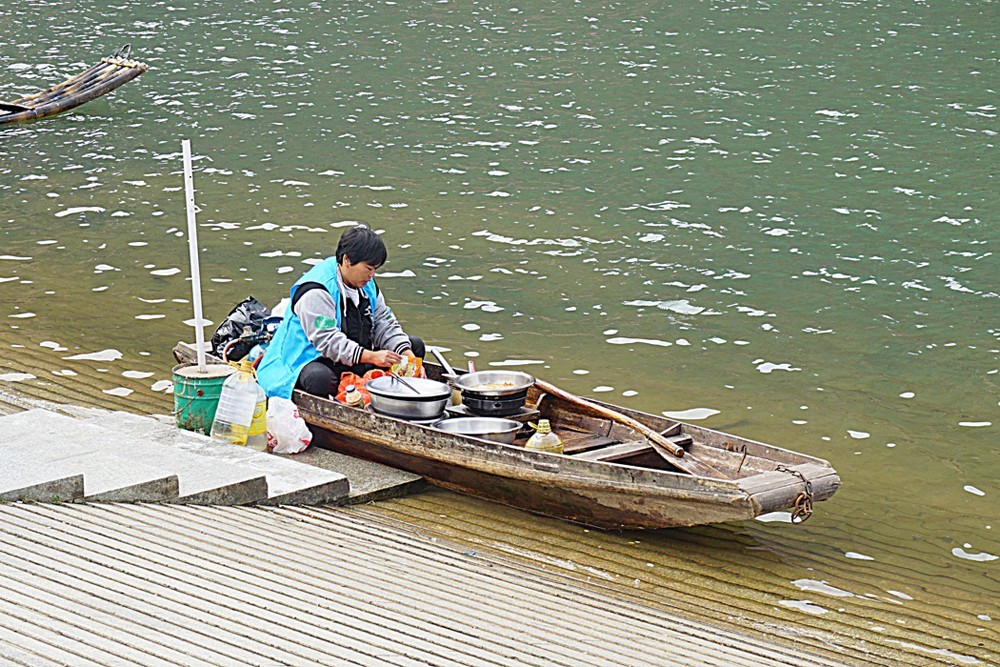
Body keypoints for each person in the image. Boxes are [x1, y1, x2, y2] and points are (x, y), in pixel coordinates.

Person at [256, 226, 424, 399]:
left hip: (355, 355)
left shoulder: (367, 284)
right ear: (347, 260)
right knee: (320, 379)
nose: (372, 275)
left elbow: (384, 322)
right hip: (311, 358)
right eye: (368, 268)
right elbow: (328, 340)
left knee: (414, 345)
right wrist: (371, 356)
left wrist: (407, 355)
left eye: (375, 269)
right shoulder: (317, 291)